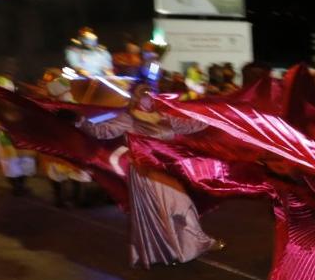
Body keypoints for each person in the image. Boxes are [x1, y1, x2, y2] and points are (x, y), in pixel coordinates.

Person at [76, 84, 223, 267]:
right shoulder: (129, 118)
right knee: (177, 206)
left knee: (173, 208)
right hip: (144, 170)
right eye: (145, 96)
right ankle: (185, 246)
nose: (150, 99)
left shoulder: (163, 116)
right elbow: (103, 131)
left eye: (152, 96)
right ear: (137, 98)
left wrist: (213, 117)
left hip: (163, 169)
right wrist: (82, 122)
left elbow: (189, 126)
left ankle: (179, 249)